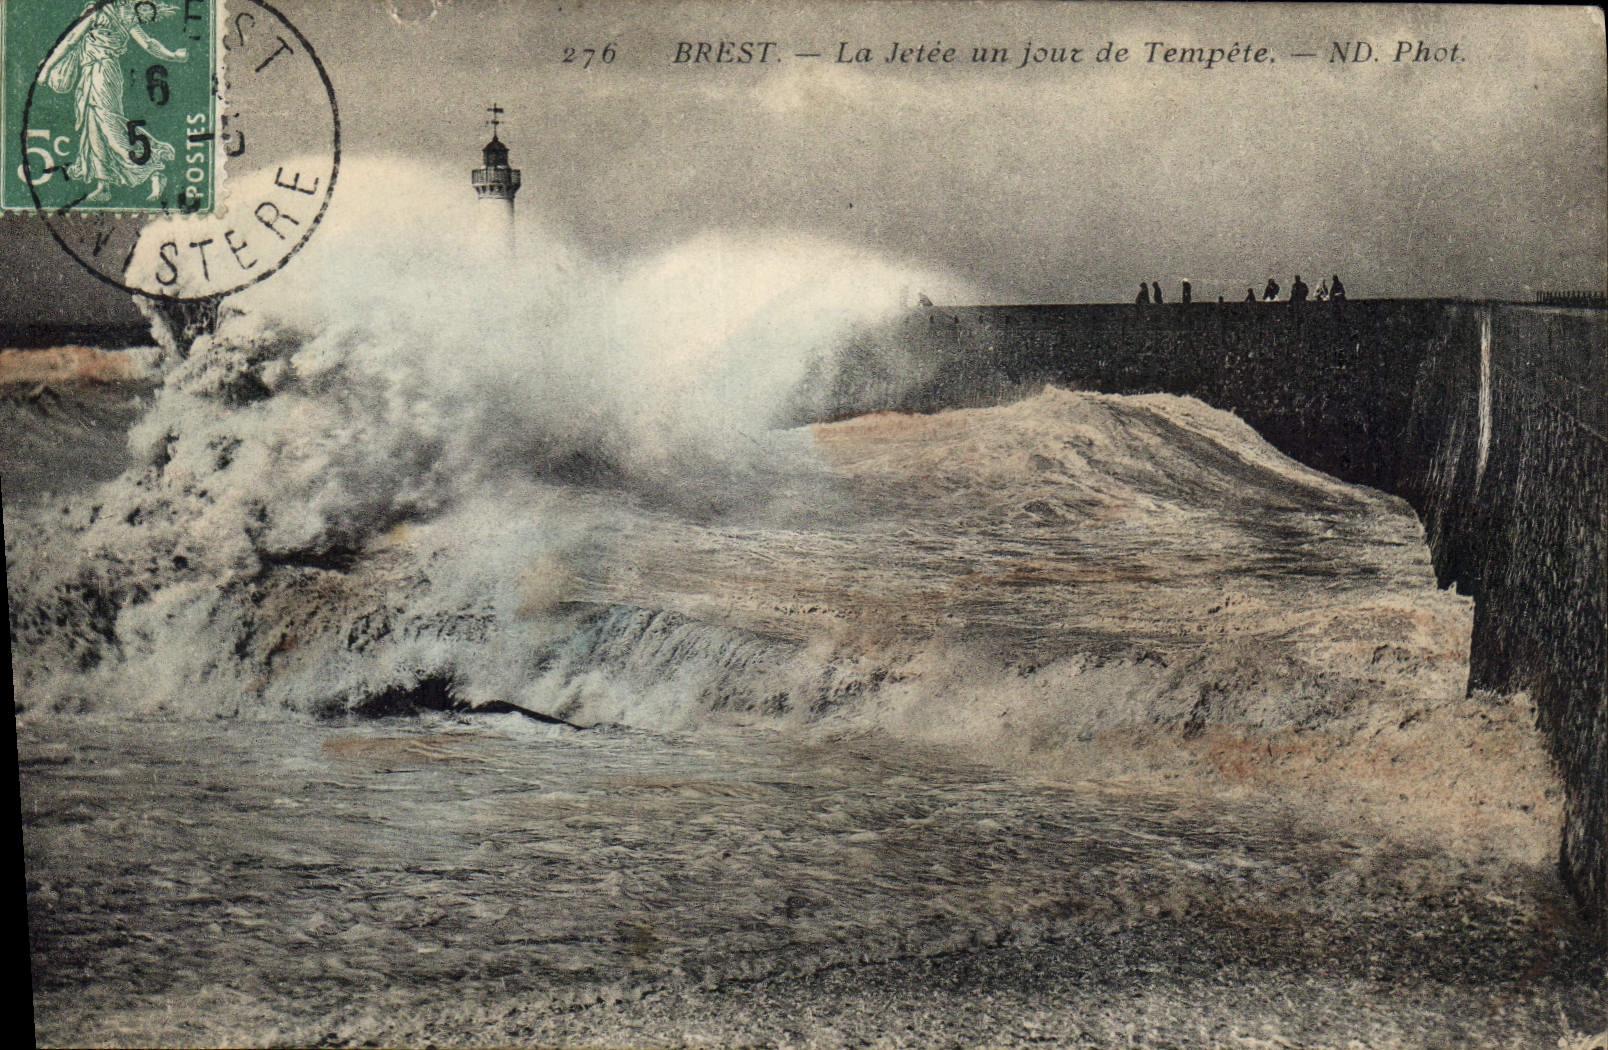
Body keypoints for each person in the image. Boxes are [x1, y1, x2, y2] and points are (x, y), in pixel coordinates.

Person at [37, 0, 188, 203]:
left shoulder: (102, 12)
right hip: (95, 72)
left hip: (102, 72)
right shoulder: (124, 15)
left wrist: (46, 69)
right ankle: (103, 185)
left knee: (109, 125)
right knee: (93, 126)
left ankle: (152, 168)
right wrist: (173, 56)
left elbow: (71, 40)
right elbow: (149, 43)